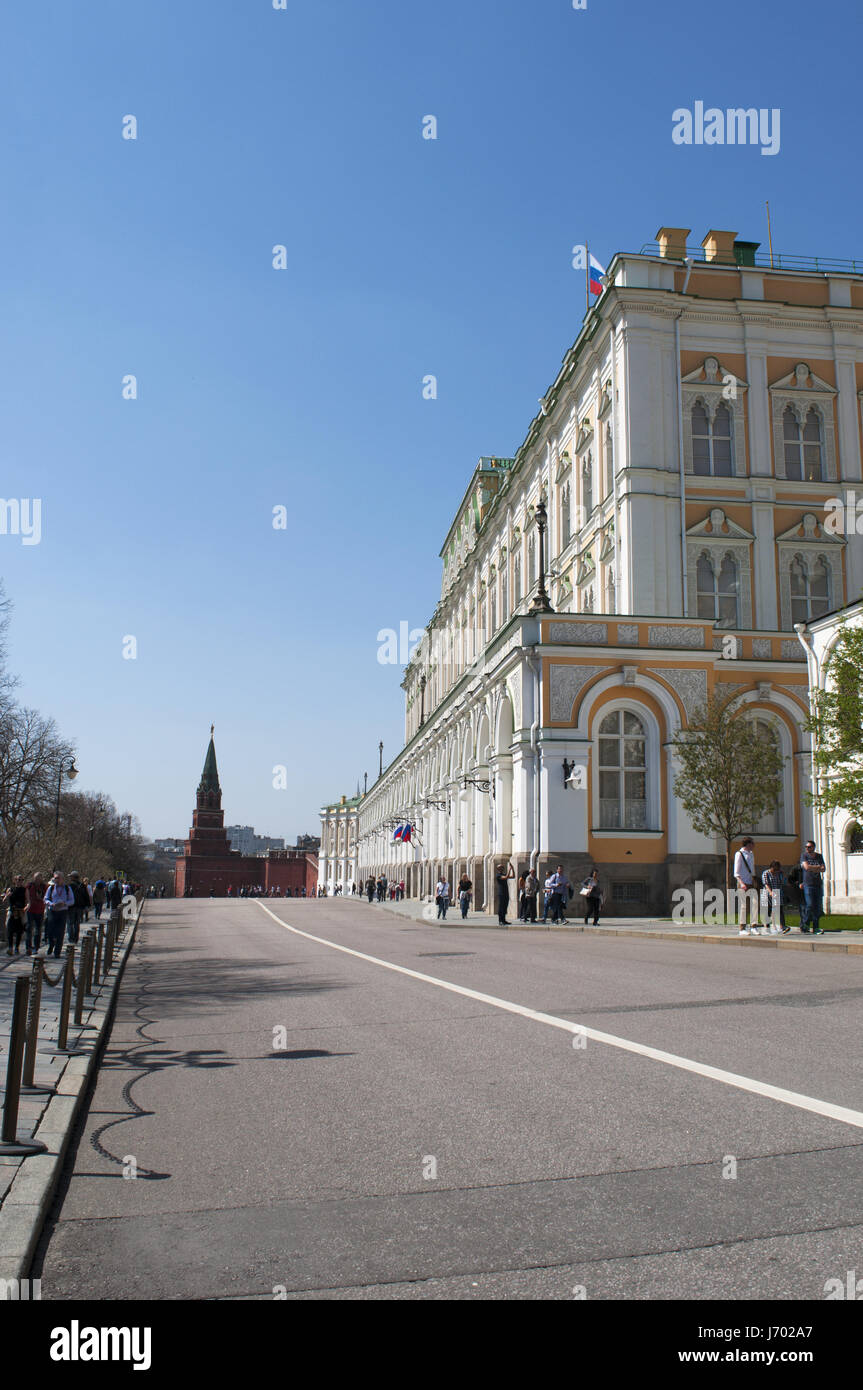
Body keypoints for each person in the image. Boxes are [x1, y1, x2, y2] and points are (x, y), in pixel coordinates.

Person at [734, 837, 763, 935]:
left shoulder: (751, 854)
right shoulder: (739, 854)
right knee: (744, 906)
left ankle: (753, 926)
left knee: (755, 904)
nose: (754, 845)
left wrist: (754, 880)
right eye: (752, 844)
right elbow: (736, 872)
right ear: (748, 844)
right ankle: (742, 928)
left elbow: (752, 869)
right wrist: (741, 883)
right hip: (743, 883)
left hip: (751, 883)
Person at [44, 873, 74, 957]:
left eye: (57, 878)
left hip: (62, 911)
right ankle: (51, 944)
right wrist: (51, 904)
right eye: (55, 878)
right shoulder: (51, 888)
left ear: (62, 879)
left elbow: (72, 901)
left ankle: (57, 952)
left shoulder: (67, 888)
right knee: (50, 930)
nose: (56, 880)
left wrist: (64, 903)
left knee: (60, 932)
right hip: (52, 911)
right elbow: (45, 899)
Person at [799, 840, 826, 935]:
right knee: (809, 905)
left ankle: (816, 927)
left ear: (813, 847)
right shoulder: (804, 856)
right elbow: (806, 867)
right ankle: (805, 923)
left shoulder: (819, 856)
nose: (807, 848)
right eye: (806, 847)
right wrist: (817, 867)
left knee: (817, 907)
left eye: (809, 847)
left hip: (818, 884)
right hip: (808, 884)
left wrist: (813, 867)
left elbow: (823, 869)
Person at [762, 861, 789, 934]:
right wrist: (770, 892)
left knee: (780, 909)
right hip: (768, 894)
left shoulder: (779, 873)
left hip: (777, 893)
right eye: (775, 869)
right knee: (768, 910)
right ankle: (767, 927)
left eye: (778, 869)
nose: (776, 871)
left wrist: (782, 875)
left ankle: (783, 926)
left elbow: (782, 882)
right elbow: (766, 884)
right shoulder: (766, 873)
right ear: (771, 867)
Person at [3, 876, 27, 954]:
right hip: (12, 910)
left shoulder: (24, 890)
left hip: (21, 911)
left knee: (20, 930)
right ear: (14, 880)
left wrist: (27, 907)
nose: (19, 881)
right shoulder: (10, 889)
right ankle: (10, 948)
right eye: (17, 880)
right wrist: (7, 895)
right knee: (9, 929)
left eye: (21, 880)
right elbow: (4, 900)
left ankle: (17, 947)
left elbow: (28, 901)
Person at [25, 873, 46, 954]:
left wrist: (40, 898)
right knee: (29, 928)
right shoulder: (29, 885)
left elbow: (46, 897)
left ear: (41, 879)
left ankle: (36, 947)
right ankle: (28, 947)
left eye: (39, 878)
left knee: (38, 930)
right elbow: (26, 894)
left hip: (40, 910)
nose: (37, 880)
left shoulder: (44, 887)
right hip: (30, 910)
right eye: (35, 878)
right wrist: (27, 902)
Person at [495, 861, 515, 926]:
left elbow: (513, 876)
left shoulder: (503, 874)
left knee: (505, 906)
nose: (502, 868)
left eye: (502, 867)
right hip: (501, 893)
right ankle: (500, 920)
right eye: (501, 868)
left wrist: (512, 869)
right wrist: (509, 869)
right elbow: (506, 877)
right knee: (501, 907)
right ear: (498, 869)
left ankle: (504, 920)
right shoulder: (498, 875)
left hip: (506, 892)